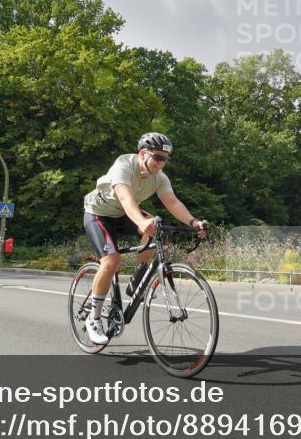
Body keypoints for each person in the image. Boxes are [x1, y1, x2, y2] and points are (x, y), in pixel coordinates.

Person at [82, 132, 208, 345]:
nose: (162, 163)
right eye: (158, 157)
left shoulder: (159, 177)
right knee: (111, 261)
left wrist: (193, 222)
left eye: (165, 159)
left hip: (123, 214)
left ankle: (137, 278)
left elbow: (172, 202)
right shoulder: (123, 165)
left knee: (155, 229)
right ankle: (93, 318)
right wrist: (140, 222)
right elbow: (125, 198)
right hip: (98, 214)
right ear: (143, 154)